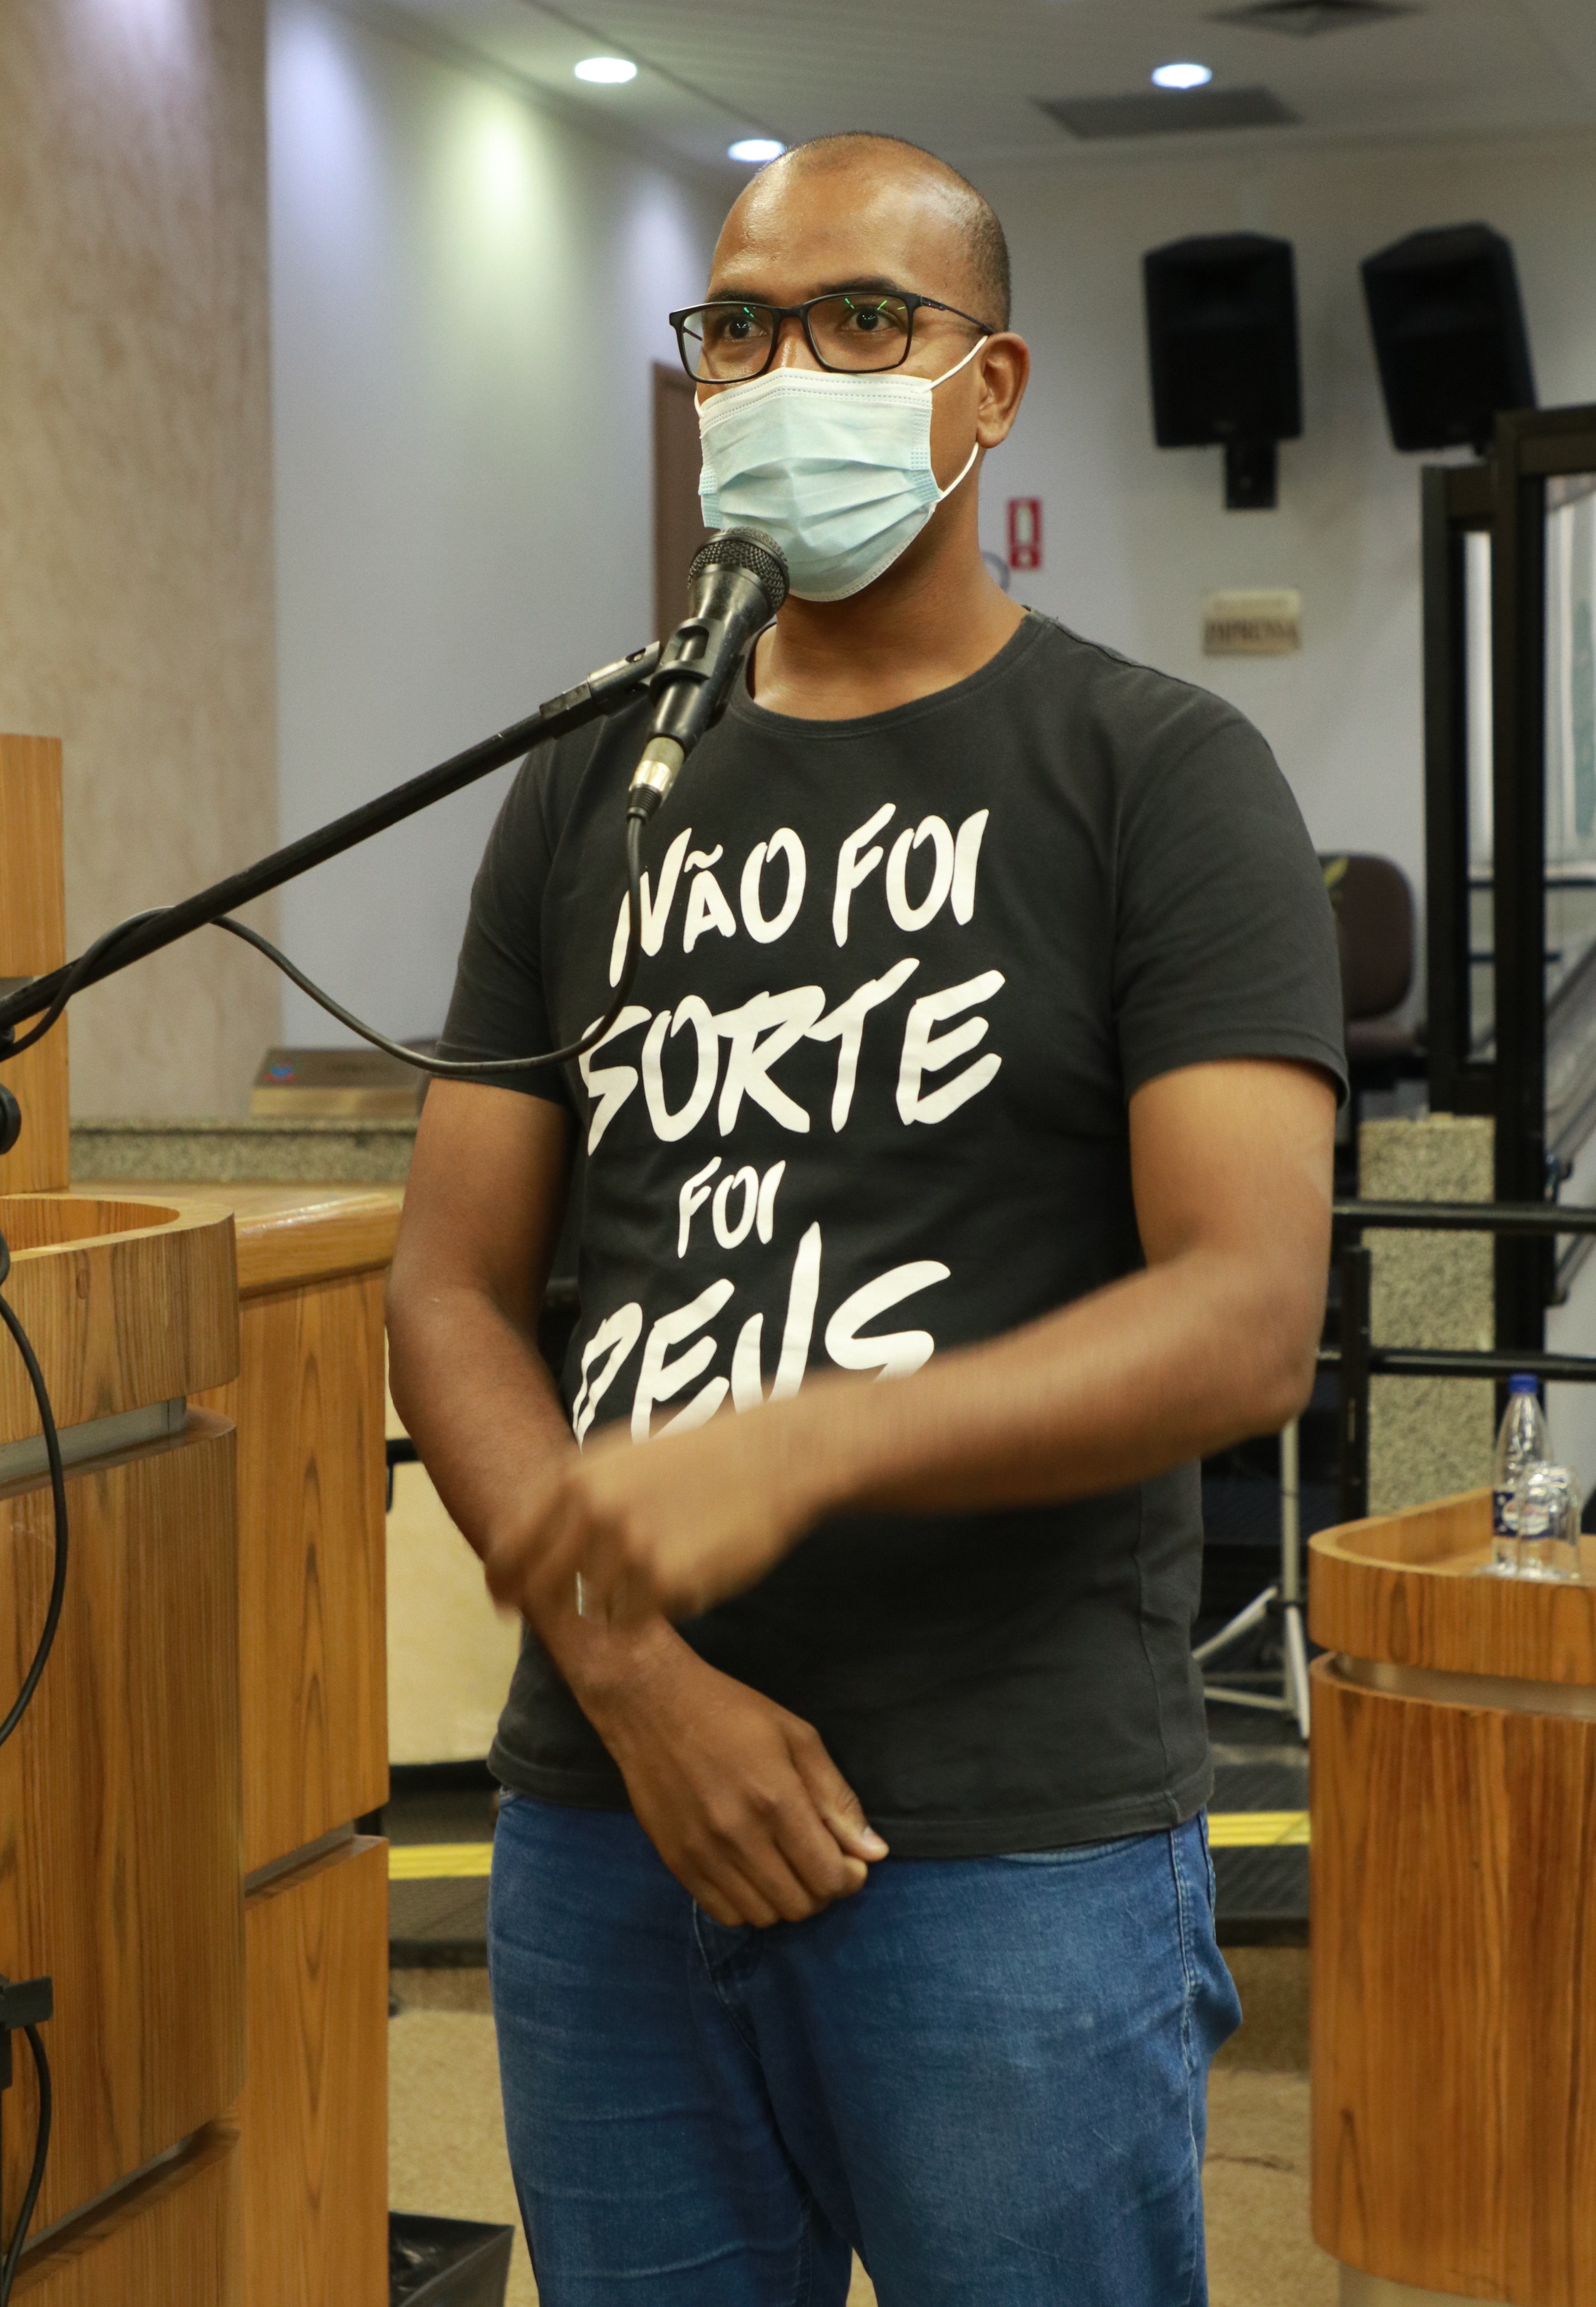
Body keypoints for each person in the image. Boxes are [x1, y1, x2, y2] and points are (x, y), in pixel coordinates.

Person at [387, 132, 1345, 2307]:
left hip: (1005, 1844)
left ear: (988, 386)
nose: (786, 368)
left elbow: (1243, 1315)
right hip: (606, 1815)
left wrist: (807, 1441)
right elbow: (448, 1286)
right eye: (740, 326)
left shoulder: (1156, 771)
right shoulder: (598, 776)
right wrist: (635, 1679)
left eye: (862, 321)